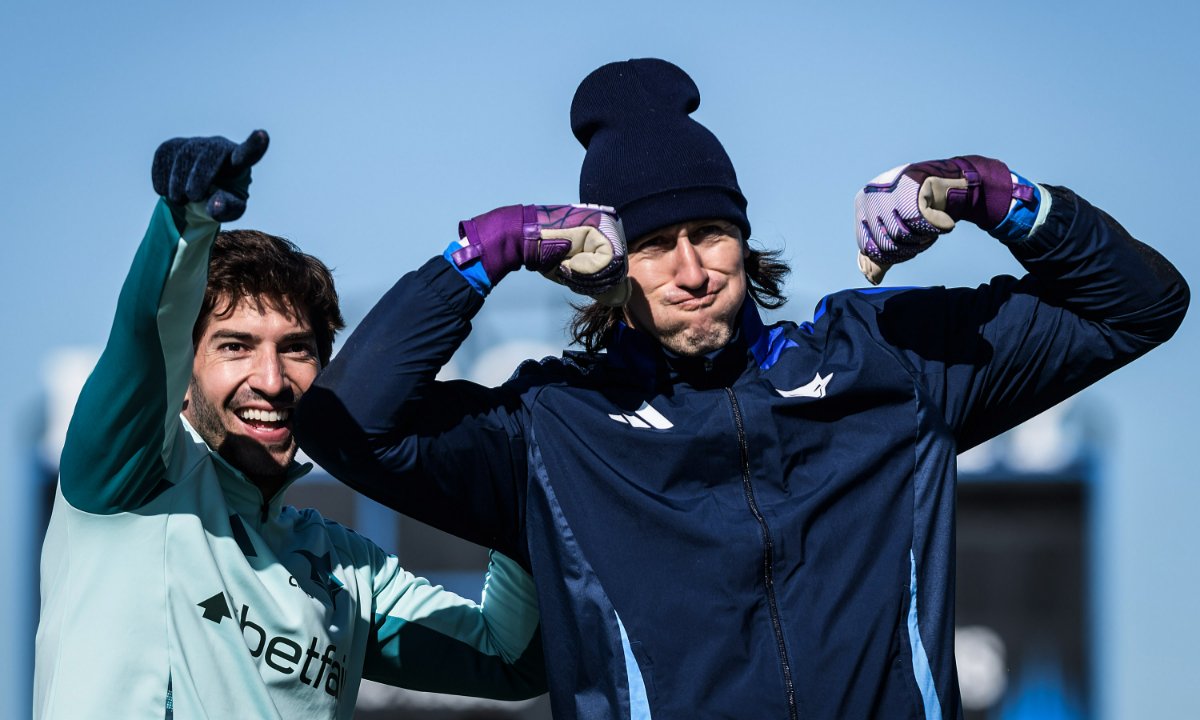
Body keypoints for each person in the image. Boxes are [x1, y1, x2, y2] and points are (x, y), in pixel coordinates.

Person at [294, 58, 1190, 719]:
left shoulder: (888, 359)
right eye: (654, 245)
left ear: (744, 240)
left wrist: (1000, 197)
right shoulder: (554, 429)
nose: (691, 269)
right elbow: (344, 427)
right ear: (602, 264)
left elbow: (1140, 305)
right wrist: (479, 256)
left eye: (711, 232)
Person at [34, 131, 545, 720]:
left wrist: (523, 481)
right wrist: (187, 219)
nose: (272, 380)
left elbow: (510, 657)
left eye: (297, 349)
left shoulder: (347, 572)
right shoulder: (127, 484)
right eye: (236, 346)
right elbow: (145, 335)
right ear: (185, 371)